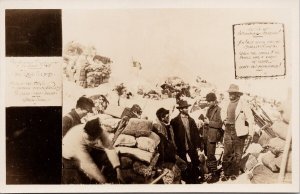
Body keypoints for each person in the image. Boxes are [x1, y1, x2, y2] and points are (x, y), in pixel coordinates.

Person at [62, 118, 124, 184]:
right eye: (91, 138)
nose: (96, 141)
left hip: (87, 149)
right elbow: (89, 164)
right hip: (69, 157)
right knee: (82, 181)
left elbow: (110, 148)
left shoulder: (99, 130)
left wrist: (118, 170)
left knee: (105, 158)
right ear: (85, 132)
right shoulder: (77, 140)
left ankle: (113, 179)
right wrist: (104, 182)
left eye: (97, 138)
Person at [221, 84, 254, 181]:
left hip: (239, 131)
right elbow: (222, 112)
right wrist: (224, 120)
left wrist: (251, 133)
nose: (230, 95)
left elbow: (250, 118)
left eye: (232, 93)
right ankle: (226, 173)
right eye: (229, 93)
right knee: (227, 152)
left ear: (237, 94)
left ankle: (234, 173)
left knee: (237, 153)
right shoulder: (225, 102)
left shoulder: (243, 103)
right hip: (228, 129)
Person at [170, 100, 204, 184]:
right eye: (185, 108)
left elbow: (196, 133)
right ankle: (187, 179)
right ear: (180, 109)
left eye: (187, 108)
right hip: (181, 146)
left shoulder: (191, 120)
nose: (187, 109)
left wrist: (198, 145)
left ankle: (196, 178)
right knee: (183, 163)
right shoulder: (174, 121)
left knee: (195, 161)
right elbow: (172, 136)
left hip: (190, 145)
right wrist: (175, 147)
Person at [203, 92, 223, 183]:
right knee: (208, 154)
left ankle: (214, 174)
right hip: (207, 135)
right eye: (207, 101)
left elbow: (219, 124)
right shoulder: (209, 109)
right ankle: (211, 171)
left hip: (213, 135)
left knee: (211, 155)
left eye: (210, 101)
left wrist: (208, 123)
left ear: (215, 101)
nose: (208, 103)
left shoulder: (219, 110)